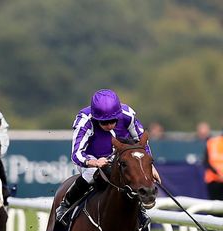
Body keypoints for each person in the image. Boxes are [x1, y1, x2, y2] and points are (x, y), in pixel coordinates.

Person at [55, 89, 161, 222]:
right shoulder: (85, 121)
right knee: (91, 174)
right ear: (95, 118)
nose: (109, 125)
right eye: (104, 122)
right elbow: (76, 154)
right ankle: (66, 205)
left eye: (113, 121)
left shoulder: (127, 115)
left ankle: (139, 210)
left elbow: (141, 143)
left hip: (121, 156)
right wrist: (94, 162)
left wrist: (149, 167)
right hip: (92, 157)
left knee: (132, 175)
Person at [203, 122, 223, 200]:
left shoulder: (212, 142)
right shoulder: (212, 142)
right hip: (213, 181)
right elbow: (206, 162)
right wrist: (218, 174)